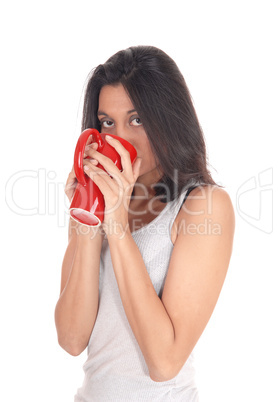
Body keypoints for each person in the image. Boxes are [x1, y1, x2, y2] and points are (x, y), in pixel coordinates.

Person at [55, 45, 235, 401]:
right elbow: (72, 339)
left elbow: (164, 361)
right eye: (108, 122)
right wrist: (91, 222)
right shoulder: (100, 204)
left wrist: (118, 228)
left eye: (136, 120)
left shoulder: (204, 206)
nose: (120, 138)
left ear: (168, 117)